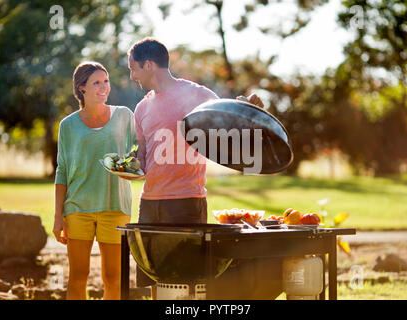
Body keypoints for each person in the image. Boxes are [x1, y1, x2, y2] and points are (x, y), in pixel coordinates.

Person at [127, 37, 264, 297]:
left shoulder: (197, 95)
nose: (132, 75)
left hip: (187, 201)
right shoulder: (142, 107)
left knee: (191, 278)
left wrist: (249, 106)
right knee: (155, 278)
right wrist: (129, 165)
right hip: (150, 203)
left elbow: (230, 119)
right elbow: (143, 155)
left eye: (133, 68)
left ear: (148, 65)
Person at [53, 61, 136, 300]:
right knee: (78, 277)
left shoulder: (123, 116)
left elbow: (139, 151)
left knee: (114, 278)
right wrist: (59, 216)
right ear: (82, 89)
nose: (103, 87)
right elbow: (62, 171)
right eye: (96, 83)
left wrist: (132, 165)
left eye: (106, 81)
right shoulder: (68, 125)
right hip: (78, 208)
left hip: (115, 207)